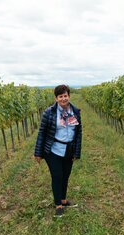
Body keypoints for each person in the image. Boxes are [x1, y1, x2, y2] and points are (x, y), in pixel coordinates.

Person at [34, 84, 82, 217]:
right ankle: (58, 205)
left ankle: (63, 199)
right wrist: (38, 152)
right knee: (57, 176)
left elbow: (78, 133)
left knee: (65, 176)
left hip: (69, 149)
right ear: (56, 98)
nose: (63, 98)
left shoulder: (75, 112)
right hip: (53, 150)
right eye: (60, 96)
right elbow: (42, 132)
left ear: (69, 96)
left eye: (65, 95)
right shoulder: (49, 113)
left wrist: (76, 152)